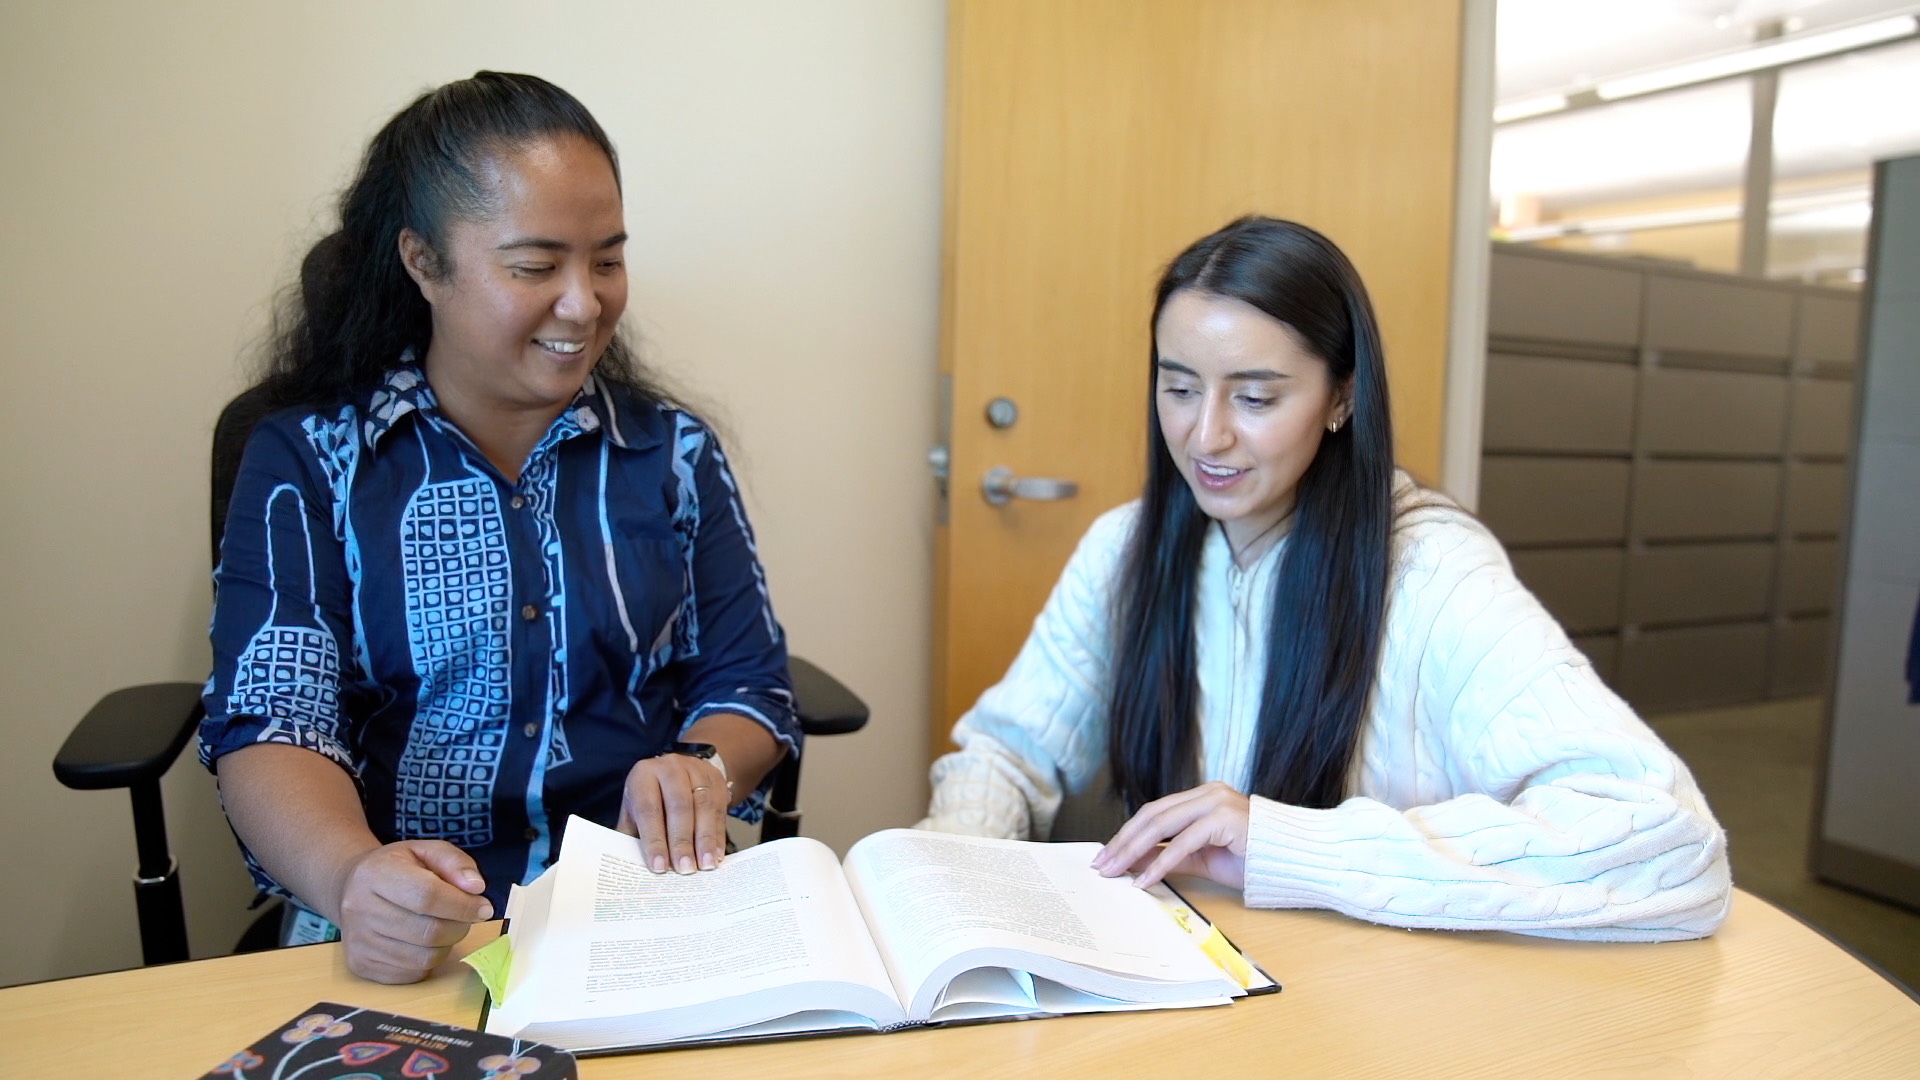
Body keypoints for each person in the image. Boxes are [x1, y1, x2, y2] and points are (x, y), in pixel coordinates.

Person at [919, 216, 1731, 941]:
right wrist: (942, 886)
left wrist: (1281, 846)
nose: (1207, 435)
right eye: (1178, 388)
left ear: (1341, 397)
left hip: (1376, 1004)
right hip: (1199, 975)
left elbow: (1666, 840)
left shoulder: (1432, 574)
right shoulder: (1125, 546)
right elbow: (1003, 753)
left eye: (1257, 397)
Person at [199, 72, 797, 983]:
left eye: (606, 260)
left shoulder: (670, 451)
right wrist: (354, 877)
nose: (584, 304)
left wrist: (703, 769)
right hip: (413, 932)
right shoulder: (310, 457)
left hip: (638, 915)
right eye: (534, 266)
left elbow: (749, 679)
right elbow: (273, 721)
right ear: (424, 262)